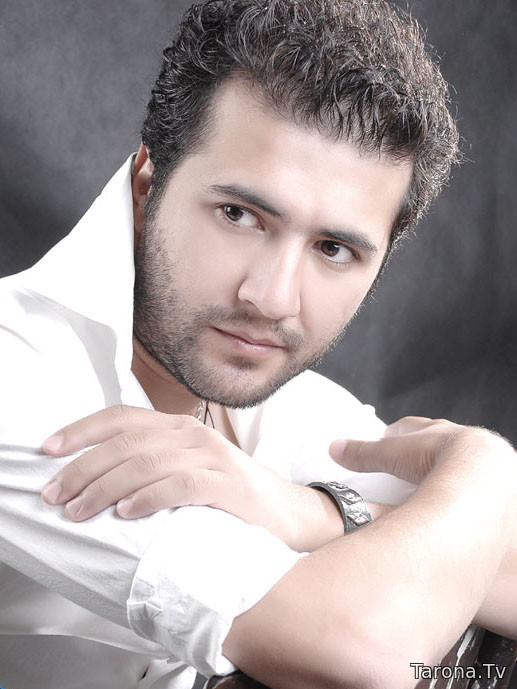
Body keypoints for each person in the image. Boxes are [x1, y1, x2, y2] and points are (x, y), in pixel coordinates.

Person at [0, 1, 516, 688]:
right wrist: (485, 465)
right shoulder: (16, 371)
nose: (271, 299)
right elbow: (363, 653)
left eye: (333, 249)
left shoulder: (292, 409)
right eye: (239, 214)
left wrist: (313, 511)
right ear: (148, 183)